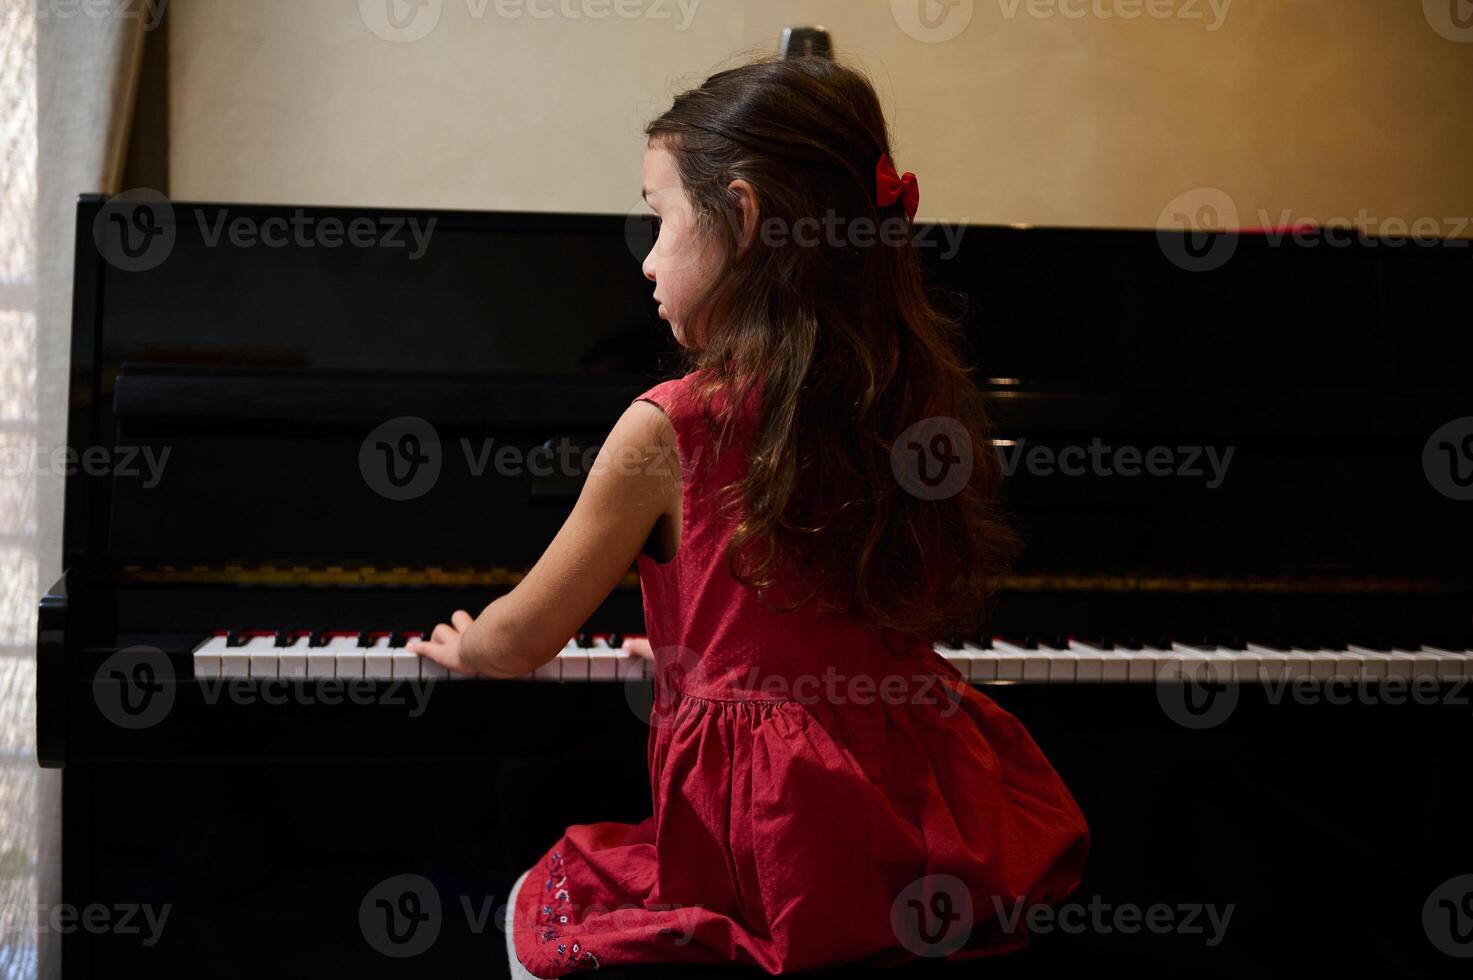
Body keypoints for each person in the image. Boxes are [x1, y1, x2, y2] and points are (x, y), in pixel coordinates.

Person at [410, 55, 1090, 979]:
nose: (646, 260)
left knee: (537, 884)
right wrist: (707, 660)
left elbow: (524, 638)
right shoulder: (908, 396)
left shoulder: (670, 423)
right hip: (915, 809)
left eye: (658, 219)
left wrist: (469, 645)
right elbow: (814, 614)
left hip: (780, 842)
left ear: (743, 214)